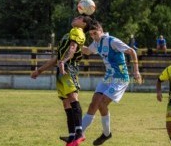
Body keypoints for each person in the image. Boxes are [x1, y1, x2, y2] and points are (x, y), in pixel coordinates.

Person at [31, 16, 92, 146]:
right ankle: (71, 137)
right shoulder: (68, 34)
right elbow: (57, 58)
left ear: (84, 24)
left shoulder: (77, 31)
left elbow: (73, 48)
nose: (76, 18)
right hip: (62, 69)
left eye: (80, 17)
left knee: (73, 97)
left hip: (68, 67)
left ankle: (79, 132)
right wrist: (40, 71)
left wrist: (64, 62)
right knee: (66, 103)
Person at [81, 20, 142, 145]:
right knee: (94, 103)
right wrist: (73, 43)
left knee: (102, 103)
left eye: (95, 33)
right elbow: (87, 51)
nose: (93, 36)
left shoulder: (112, 41)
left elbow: (132, 51)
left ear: (101, 31)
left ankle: (106, 134)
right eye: (91, 34)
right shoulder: (96, 43)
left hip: (120, 78)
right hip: (108, 77)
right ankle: (79, 133)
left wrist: (136, 71)